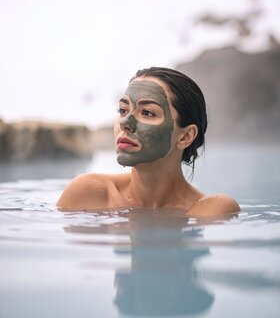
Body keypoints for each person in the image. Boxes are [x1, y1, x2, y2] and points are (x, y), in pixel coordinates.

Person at [57, 67, 240, 217]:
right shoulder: (88, 193)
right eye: (122, 110)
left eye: (147, 113)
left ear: (185, 136)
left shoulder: (211, 210)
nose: (125, 123)